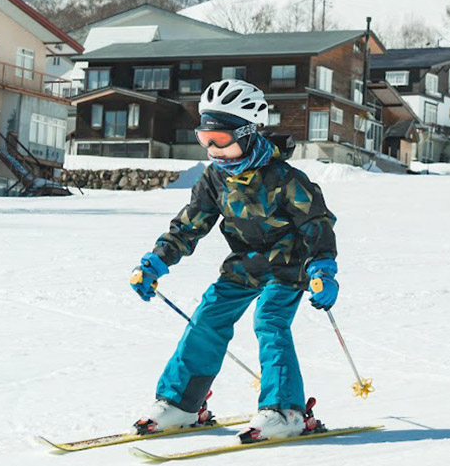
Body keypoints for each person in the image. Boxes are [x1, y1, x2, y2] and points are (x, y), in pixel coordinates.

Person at [129, 80, 341, 444]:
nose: (213, 149)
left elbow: (316, 223)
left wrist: (323, 267)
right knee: (207, 318)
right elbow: (189, 226)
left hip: (288, 265)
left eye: (221, 140)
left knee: (269, 321)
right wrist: (155, 262)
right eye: (204, 139)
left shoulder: (286, 179)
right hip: (244, 264)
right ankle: (182, 404)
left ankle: (285, 409)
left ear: (248, 132)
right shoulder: (214, 179)